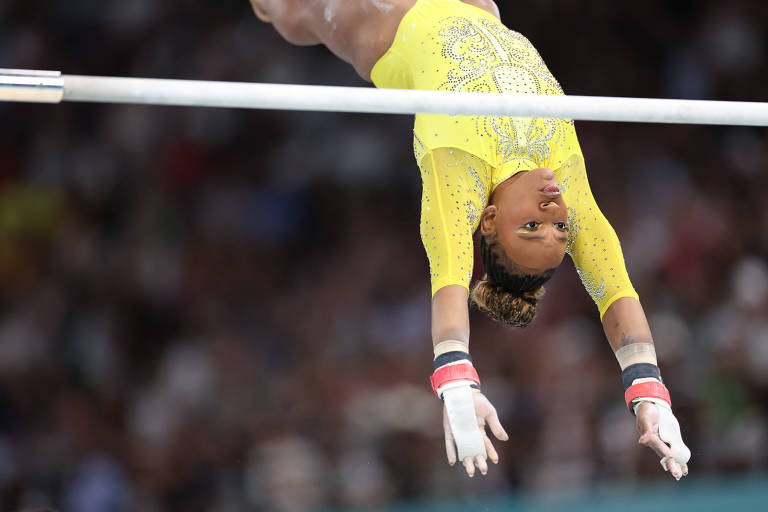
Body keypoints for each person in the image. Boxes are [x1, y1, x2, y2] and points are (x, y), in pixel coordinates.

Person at [249, 0, 691, 480]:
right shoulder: (560, 179)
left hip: (383, 25)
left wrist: (457, 380)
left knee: (292, 13)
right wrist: (649, 391)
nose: (554, 212)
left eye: (532, 227)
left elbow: (450, 280)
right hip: (473, 8)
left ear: (491, 218)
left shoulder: (457, 165)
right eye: (558, 228)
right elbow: (614, 289)